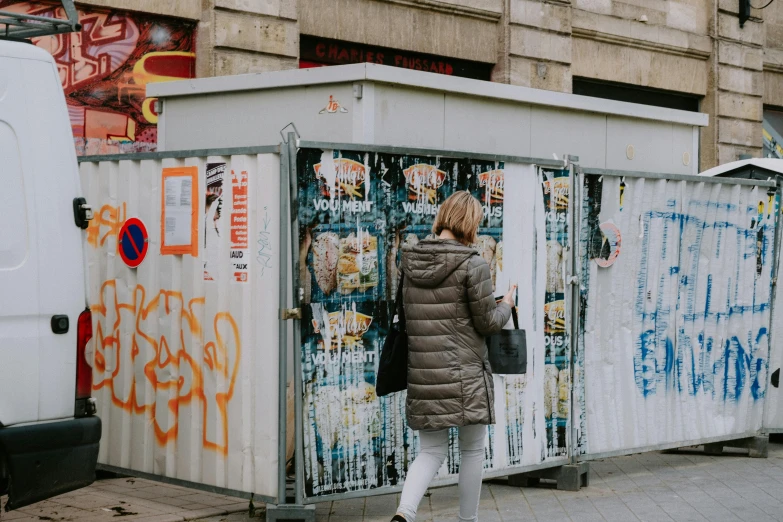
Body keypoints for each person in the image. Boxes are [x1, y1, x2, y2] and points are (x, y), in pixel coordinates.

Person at [392, 191, 516, 522]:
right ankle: (467, 520)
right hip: (466, 378)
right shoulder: (473, 264)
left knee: (430, 452)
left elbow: (407, 320)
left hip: (423, 375)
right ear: (469, 222)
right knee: (472, 450)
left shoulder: (411, 260)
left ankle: (405, 513)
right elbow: (488, 323)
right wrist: (506, 305)